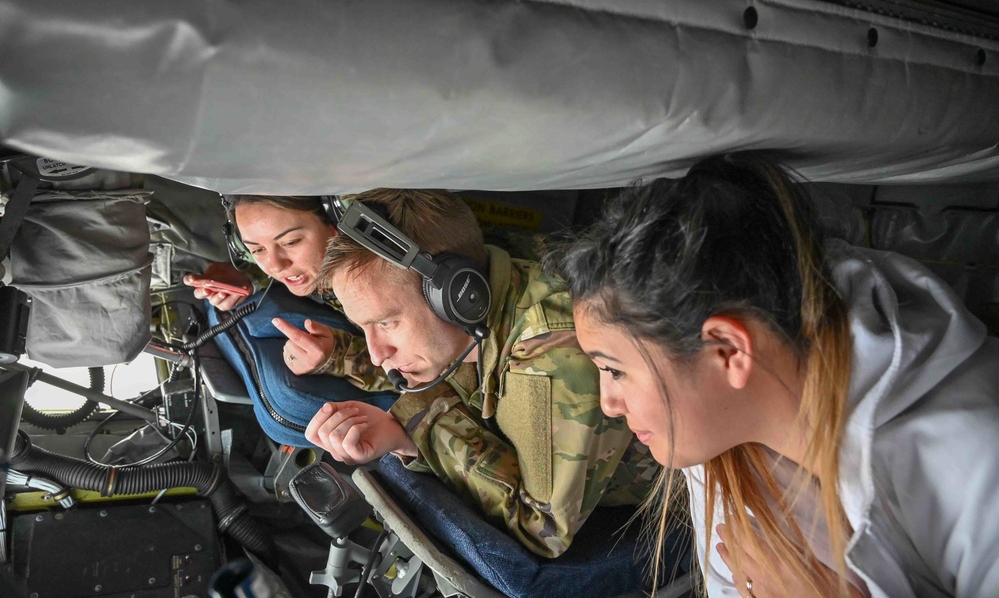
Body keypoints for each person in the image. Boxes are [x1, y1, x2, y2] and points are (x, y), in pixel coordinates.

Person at [549, 153, 999, 597]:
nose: (608, 401)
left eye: (613, 369)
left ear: (728, 350)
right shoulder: (716, 434)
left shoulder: (976, 457)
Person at [304, 189, 659, 559]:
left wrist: (415, 429)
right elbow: (445, 375)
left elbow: (541, 528)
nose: (378, 355)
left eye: (387, 323)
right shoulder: (480, 306)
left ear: (459, 294)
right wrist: (340, 357)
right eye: (364, 328)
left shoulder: (551, 353)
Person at [184, 195, 391, 392]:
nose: (275, 266)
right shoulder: (311, 265)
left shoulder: (387, 281)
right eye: (257, 250)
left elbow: (419, 375)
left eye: (290, 242)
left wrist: (340, 356)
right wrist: (248, 278)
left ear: (336, 222)